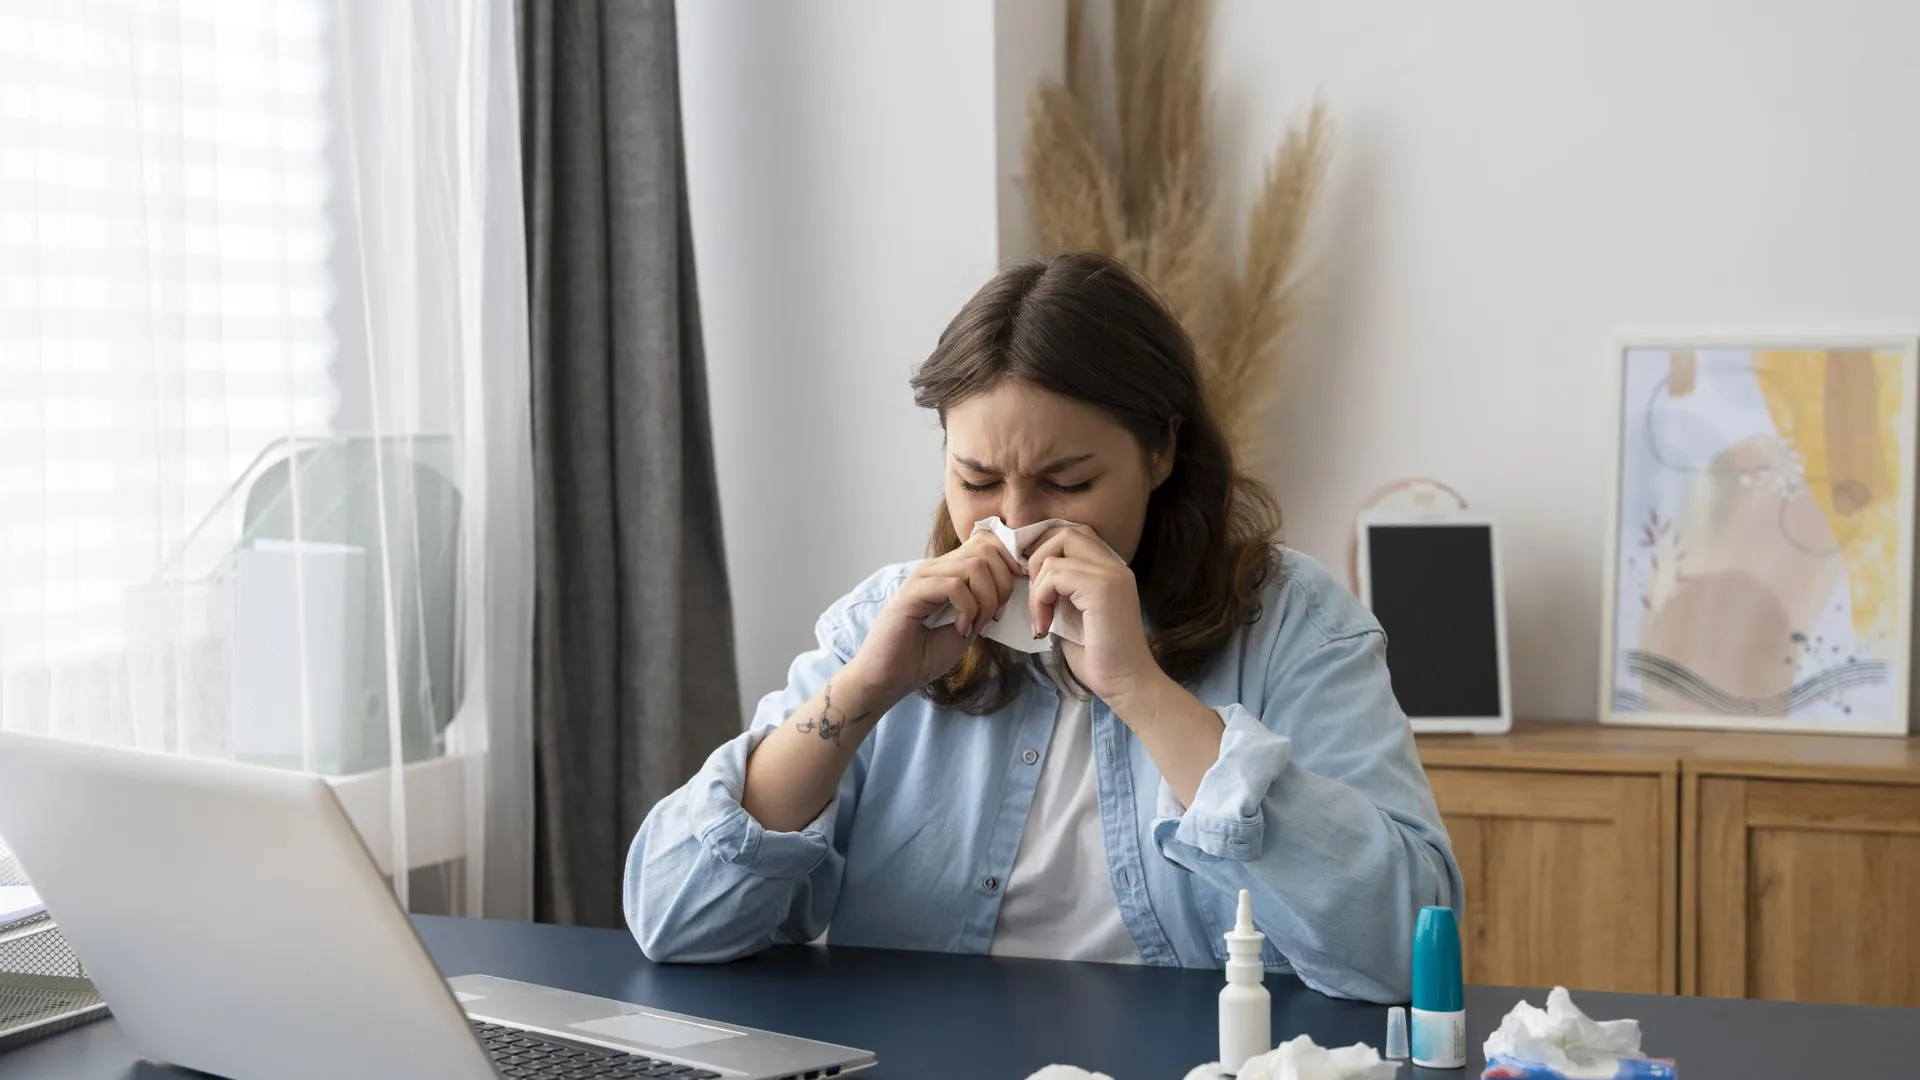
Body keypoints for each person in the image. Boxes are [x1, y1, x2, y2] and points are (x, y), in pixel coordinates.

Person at [624, 251, 1461, 1002]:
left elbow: (1403, 950)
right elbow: (674, 920)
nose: (1016, 525)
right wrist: (863, 691)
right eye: (976, 480)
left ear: (1161, 453)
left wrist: (1140, 688)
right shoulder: (884, 621)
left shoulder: (1295, 626)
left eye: (1067, 482)